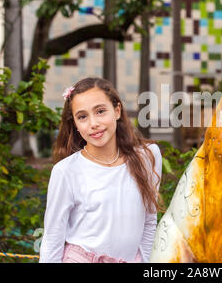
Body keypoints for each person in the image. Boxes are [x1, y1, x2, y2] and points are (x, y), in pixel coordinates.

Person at [39, 77, 162, 263]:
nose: (93, 123)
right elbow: (52, 238)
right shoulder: (66, 171)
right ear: (75, 124)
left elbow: (149, 221)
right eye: (82, 117)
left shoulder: (148, 156)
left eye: (100, 111)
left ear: (117, 111)